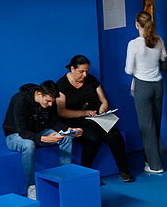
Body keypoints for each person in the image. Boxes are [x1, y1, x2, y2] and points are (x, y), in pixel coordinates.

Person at [56, 55, 134, 183]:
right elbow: (62, 112)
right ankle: (87, 174)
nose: (85, 75)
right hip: (77, 120)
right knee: (93, 139)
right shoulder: (62, 85)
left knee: (114, 135)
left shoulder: (91, 80)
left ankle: (123, 170)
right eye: (81, 71)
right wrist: (84, 113)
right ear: (72, 69)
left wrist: (102, 109)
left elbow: (103, 101)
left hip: (96, 117)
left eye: (86, 71)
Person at [2, 81, 77, 198]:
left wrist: (69, 129)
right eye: (48, 101)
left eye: (53, 102)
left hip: (37, 133)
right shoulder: (19, 100)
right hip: (15, 136)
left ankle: (65, 179)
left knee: (66, 137)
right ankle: (31, 187)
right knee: (29, 145)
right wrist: (43, 139)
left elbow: (54, 122)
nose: (51, 104)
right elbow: (22, 132)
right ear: (39, 94)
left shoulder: (50, 102)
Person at [126, 11, 167, 173]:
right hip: (158, 85)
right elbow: (163, 60)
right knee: (156, 123)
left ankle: (155, 165)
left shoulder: (133, 44)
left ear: (137, 24)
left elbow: (129, 70)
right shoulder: (159, 40)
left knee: (146, 126)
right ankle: (149, 158)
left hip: (142, 86)